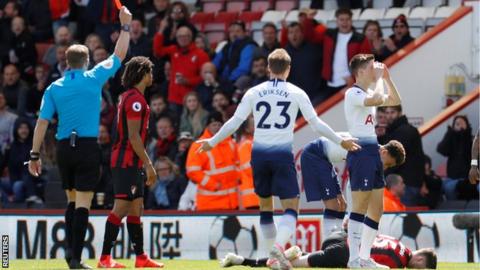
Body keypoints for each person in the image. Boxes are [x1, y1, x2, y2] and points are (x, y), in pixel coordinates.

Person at [196, 48, 359, 270]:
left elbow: (235, 121)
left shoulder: (254, 92)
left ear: (268, 68)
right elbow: (316, 124)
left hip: (259, 154)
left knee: (265, 207)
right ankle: (278, 250)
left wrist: (212, 142)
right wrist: (341, 142)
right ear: (288, 69)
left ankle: (270, 252)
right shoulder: (297, 93)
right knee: (291, 207)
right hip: (282, 154)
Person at [28, 7, 132, 269]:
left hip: (64, 149)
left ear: (65, 64)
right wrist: (126, 26)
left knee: (72, 201)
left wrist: (34, 154)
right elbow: (119, 54)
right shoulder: (93, 78)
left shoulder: (54, 87)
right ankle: (75, 258)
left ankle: (69, 255)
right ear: (86, 62)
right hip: (86, 147)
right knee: (83, 204)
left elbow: (41, 122)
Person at [98, 56, 164, 269]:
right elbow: (134, 137)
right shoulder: (136, 100)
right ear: (142, 74)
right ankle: (104, 258)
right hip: (126, 160)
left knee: (137, 207)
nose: (152, 76)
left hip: (129, 160)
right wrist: (149, 164)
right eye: (150, 72)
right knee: (122, 207)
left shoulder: (128, 96)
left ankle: (141, 257)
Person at [344, 54, 401, 268]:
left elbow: (394, 100)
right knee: (359, 207)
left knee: (377, 209)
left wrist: (386, 78)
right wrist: (378, 80)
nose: (374, 69)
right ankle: (353, 259)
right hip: (361, 152)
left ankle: (365, 258)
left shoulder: (368, 91)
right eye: (370, 67)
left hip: (372, 150)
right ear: (360, 72)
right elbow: (378, 99)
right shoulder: (353, 93)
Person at [301, 137, 405, 238]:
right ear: (384, 152)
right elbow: (352, 185)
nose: (385, 168)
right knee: (333, 206)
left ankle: (336, 238)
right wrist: (353, 217)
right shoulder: (367, 155)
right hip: (315, 154)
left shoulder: (371, 150)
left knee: (342, 205)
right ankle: (329, 244)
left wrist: (352, 216)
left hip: (324, 157)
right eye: (387, 164)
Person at [221, 231, 438, 269]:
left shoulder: (397, 243)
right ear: (420, 260)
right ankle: (242, 261)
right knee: (284, 265)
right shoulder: (397, 263)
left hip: (342, 239)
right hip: (345, 253)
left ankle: (240, 261)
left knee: (292, 260)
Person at [186, 111, 240, 211]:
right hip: (210, 203)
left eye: (219, 124)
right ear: (208, 126)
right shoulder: (198, 145)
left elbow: (238, 165)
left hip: (232, 202)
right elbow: (192, 171)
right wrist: (213, 185)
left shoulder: (231, 143)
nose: (217, 127)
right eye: (214, 125)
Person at [153, 25, 209, 115]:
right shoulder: (173, 50)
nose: (182, 39)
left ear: (190, 37)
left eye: (185, 36)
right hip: (174, 98)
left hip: (191, 99)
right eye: (179, 36)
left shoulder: (201, 54)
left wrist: (188, 81)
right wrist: (161, 30)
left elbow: (205, 77)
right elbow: (157, 51)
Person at [322, 9, 371, 101]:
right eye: (341, 19)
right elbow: (310, 35)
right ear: (337, 21)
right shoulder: (328, 34)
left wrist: (353, 79)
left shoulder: (360, 38)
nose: (345, 22)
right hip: (328, 84)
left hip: (349, 84)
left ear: (351, 21)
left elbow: (366, 64)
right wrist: (307, 19)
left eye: (347, 19)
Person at [384, 105, 426, 206]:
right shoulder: (401, 130)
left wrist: (383, 174)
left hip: (405, 184)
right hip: (408, 182)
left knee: (402, 218)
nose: (389, 116)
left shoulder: (403, 131)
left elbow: (396, 158)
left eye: (392, 112)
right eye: (387, 113)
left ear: (399, 113)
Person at [284, 22, 323, 101]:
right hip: (294, 98)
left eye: (297, 31)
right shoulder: (283, 53)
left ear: (302, 33)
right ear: (288, 36)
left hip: (315, 96)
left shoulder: (315, 49)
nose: (294, 35)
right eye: (291, 32)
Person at [237, 115, 259, 210]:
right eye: (254, 125)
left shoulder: (254, 143)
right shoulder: (246, 145)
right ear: (247, 129)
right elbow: (249, 169)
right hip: (252, 198)